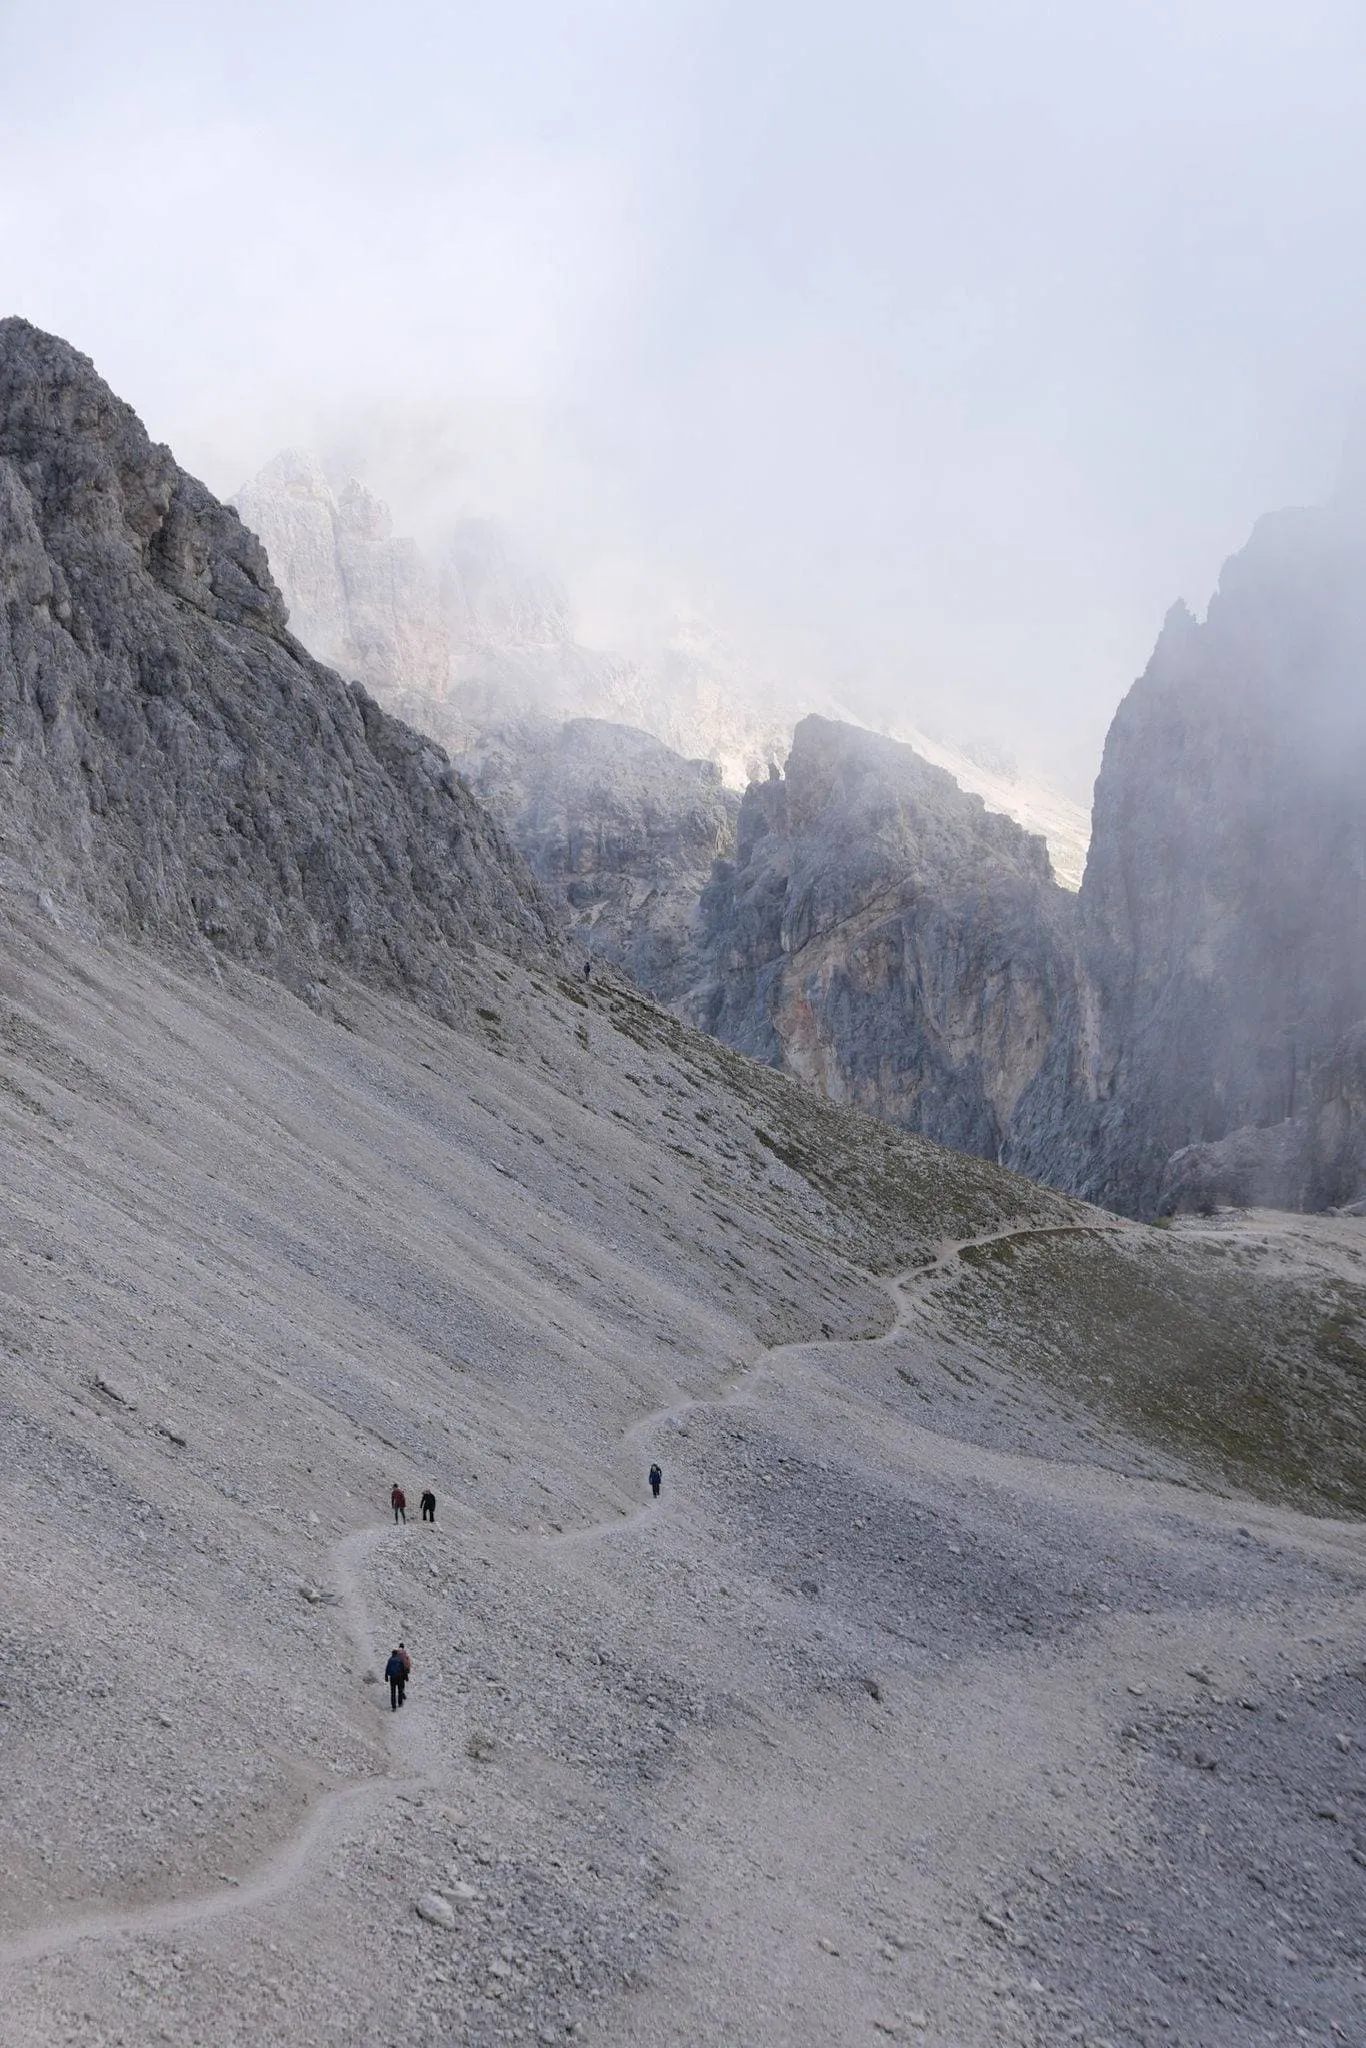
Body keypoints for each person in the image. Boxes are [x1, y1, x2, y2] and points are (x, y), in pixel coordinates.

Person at [384, 1646, 407, 1711]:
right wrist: (405, 1676)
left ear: (392, 1654)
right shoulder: (399, 1659)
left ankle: (394, 1706)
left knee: (393, 1692)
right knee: (400, 1690)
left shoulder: (390, 1660)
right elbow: (403, 1669)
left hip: (392, 1678)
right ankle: (400, 1703)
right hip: (399, 1677)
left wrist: (386, 1676)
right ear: (396, 1654)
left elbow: (387, 1669)